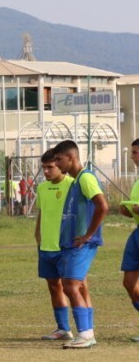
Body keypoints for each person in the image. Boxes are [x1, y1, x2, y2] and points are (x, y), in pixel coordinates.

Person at [52, 140, 108, 349]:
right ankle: (87, 332)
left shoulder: (86, 178)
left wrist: (88, 235)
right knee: (78, 285)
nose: (57, 164)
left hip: (83, 243)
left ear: (71, 158)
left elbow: (102, 205)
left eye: (59, 159)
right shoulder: (76, 181)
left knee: (70, 285)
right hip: (73, 243)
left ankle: (85, 334)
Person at [34, 150, 74, 341]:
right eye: (44, 168)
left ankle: (85, 329)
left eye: (50, 167)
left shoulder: (72, 185)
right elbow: (42, 213)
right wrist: (37, 233)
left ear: (60, 165)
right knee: (53, 287)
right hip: (46, 246)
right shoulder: (42, 188)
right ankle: (63, 328)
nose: (46, 172)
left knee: (75, 287)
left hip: (66, 246)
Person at [121, 140, 139, 342]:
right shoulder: (137, 181)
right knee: (129, 284)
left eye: (135, 152)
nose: (132, 156)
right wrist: (128, 211)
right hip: (137, 234)